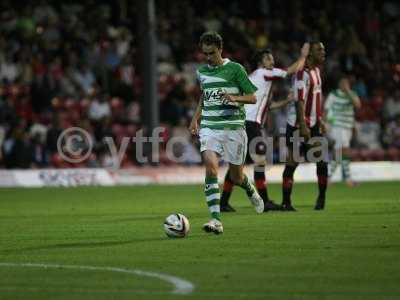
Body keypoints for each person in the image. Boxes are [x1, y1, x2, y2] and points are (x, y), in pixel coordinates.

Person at [189, 31, 264, 234]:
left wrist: (234, 98)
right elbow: (204, 98)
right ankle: (216, 220)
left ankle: (249, 189)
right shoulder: (202, 72)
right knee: (211, 168)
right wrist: (196, 118)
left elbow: (252, 98)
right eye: (205, 53)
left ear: (220, 49)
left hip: (234, 127)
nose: (208, 57)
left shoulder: (235, 69)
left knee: (237, 177)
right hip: (210, 127)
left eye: (211, 53)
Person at [220, 43, 310, 213]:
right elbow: (289, 71)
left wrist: (285, 101)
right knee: (260, 162)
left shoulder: (256, 78)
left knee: (237, 165)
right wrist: (304, 56)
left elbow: (268, 106)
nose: (272, 61)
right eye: (268, 58)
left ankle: (223, 203)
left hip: (242, 123)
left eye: (272, 58)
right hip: (250, 125)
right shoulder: (264, 73)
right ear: (261, 63)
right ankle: (265, 201)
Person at [281, 41, 327, 211]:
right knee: (293, 162)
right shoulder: (302, 74)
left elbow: (316, 98)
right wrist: (303, 125)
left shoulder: (316, 71)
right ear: (310, 54)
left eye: (323, 49)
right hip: (297, 125)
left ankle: (321, 199)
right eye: (319, 50)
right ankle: (286, 203)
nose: (323, 52)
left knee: (322, 161)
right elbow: (300, 101)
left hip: (313, 124)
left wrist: (320, 119)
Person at [325, 75, 361, 186]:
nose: (344, 85)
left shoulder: (352, 94)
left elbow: (358, 105)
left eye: (347, 83)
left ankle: (328, 178)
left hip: (348, 126)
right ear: (339, 84)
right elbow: (326, 109)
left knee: (341, 152)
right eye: (343, 83)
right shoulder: (333, 95)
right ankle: (347, 179)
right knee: (343, 150)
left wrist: (348, 92)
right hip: (337, 126)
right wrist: (326, 124)